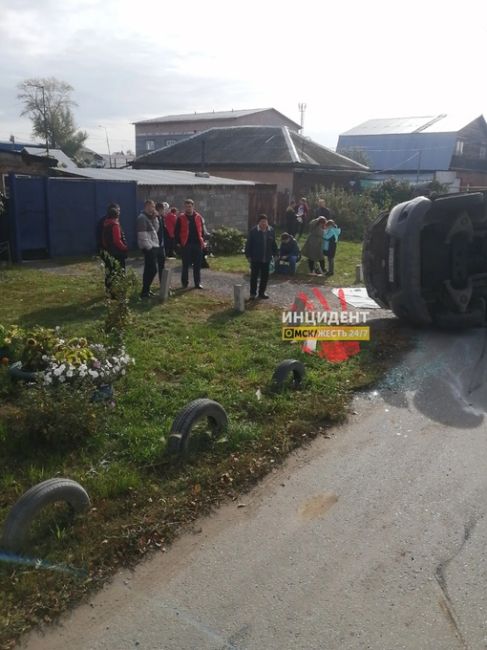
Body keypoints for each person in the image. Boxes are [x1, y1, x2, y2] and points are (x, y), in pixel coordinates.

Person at [244, 214, 278, 299]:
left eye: (265, 222)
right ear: (258, 222)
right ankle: (252, 293)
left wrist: (276, 253)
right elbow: (248, 244)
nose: (264, 224)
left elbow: (273, 243)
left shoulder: (271, 230)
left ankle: (262, 293)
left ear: (267, 222)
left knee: (265, 276)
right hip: (255, 258)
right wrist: (248, 256)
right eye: (262, 222)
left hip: (266, 258)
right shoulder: (253, 231)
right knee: (254, 277)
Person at [174, 198, 206, 289]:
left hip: (197, 244)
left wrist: (203, 240)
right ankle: (185, 283)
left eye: (190, 206)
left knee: (197, 265)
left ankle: (197, 283)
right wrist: (178, 243)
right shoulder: (180, 217)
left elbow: (202, 230)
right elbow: (176, 232)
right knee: (185, 265)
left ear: (193, 207)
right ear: (185, 207)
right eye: (186, 206)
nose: (188, 208)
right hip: (186, 244)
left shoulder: (198, 217)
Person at [98, 203, 128, 297]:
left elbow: (103, 239)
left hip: (109, 251)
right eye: (118, 211)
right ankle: (118, 292)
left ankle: (110, 292)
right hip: (117, 253)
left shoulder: (105, 223)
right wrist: (125, 247)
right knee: (119, 271)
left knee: (110, 271)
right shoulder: (115, 225)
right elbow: (117, 240)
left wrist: (107, 247)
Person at [137, 199, 160, 298]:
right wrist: (149, 247)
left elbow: (156, 229)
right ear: (147, 206)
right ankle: (145, 291)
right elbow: (142, 235)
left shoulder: (150, 217)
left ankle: (146, 291)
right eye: (152, 206)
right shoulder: (142, 218)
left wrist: (155, 218)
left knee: (148, 270)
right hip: (149, 247)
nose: (154, 208)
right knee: (153, 270)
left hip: (153, 245)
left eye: (154, 207)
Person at [154, 202, 166, 283]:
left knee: (162, 265)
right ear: (160, 209)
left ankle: (162, 282)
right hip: (155, 245)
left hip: (161, 245)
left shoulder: (161, 218)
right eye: (163, 210)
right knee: (153, 267)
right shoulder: (155, 218)